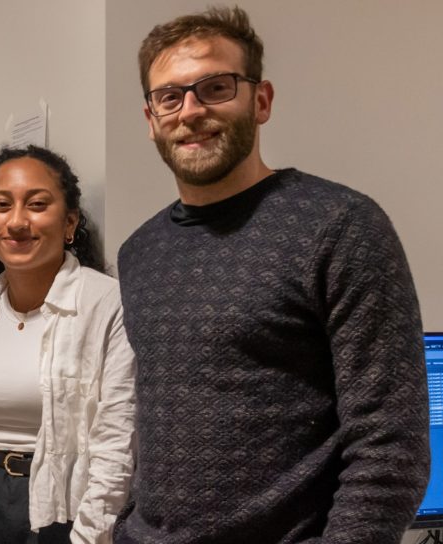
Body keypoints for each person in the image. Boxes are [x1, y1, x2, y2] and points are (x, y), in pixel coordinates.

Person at [114, 6, 428, 544]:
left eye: (215, 87)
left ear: (261, 101)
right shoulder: (138, 252)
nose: (190, 110)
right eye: (170, 96)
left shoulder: (340, 227)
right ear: (151, 119)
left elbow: (391, 446)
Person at [0, 145, 136, 544]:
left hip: (67, 505)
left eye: (38, 204)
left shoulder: (106, 305)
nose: (17, 221)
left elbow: (116, 441)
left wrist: (91, 535)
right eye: (1, 205)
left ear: (70, 222)